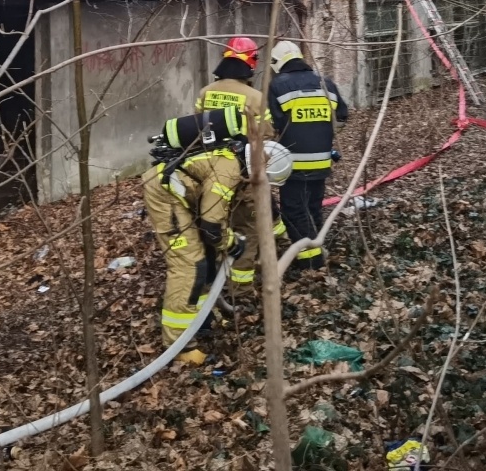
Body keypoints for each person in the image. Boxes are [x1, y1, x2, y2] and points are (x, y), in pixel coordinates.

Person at [141, 105, 248, 349]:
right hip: (164, 195)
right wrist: (232, 244)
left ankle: (202, 319)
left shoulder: (226, 157)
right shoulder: (229, 169)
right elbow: (212, 227)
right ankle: (178, 344)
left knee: (206, 258)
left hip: (179, 193)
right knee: (190, 264)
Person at [193, 36, 286, 290]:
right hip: (244, 173)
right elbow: (267, 135)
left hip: (207, 169)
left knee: (215, 221)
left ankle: (214, 276)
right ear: (251, 64)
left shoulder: (205, 93)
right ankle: (240, 286)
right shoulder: (256, 98)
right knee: (247, 225)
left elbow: (197, 128)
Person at [268, 39, 349, 271]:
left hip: (292, 164)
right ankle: (318, 245)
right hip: (323, 161)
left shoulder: (278, 86)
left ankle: (311, 261)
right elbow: (342, 116)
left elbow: (273, 123)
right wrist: (325, 135)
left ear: (277, 62)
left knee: (293, 210)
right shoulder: (327, 84)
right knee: (313, 206)